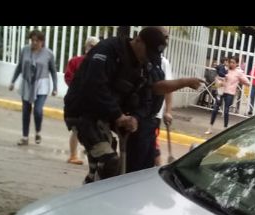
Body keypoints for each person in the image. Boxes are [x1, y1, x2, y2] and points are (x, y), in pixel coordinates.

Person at [64, 27, 201, 183]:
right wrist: (118, 115)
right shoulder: (108, 50)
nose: (147, 58)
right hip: (84, 113)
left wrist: (136, 117)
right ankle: (93, 195)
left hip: (108, 116)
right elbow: (94, 87)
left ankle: (90, 186)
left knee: (109, 165)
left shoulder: (144, 63)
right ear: (138, 41)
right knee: (110, 162)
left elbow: (148, 94)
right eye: (147, 52)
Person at [9, 30, 58, 146]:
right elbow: (20, 66)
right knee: (26, 111)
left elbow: (53, 71)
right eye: (32, 40)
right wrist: (13, 81)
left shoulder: (48, 54)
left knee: (37, 110)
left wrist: (55, 87)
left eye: (37, 40)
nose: (34, 43)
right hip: (27, 83)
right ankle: (25, 137)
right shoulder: (25, 50)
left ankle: (38, 131)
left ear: (42, 41)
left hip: (42, 84)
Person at [64, 36, 100, 165]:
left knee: (92, 128)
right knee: (76, 129)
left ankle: (90, 152)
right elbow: (68, 77)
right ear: (86, 47)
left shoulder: (99, 63)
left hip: (92, 102)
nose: (92, 48)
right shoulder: (75, 61)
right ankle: (73, 155)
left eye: (95, 46)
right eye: (90, 45)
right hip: (77, 102)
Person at [205, 56, 250, 135]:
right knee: (215, 109)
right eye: (230, 62)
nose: (232, 64)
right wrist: (219, 82)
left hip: (230, 93)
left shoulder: (239, 72)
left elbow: (247, 83)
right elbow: (218, 78)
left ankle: (224, 130)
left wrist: (239, 81)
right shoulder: (225, 69)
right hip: (221, 91)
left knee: (226, 111)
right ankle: (210, 128)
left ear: (236, 64)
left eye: (233, 63)